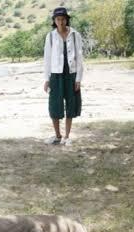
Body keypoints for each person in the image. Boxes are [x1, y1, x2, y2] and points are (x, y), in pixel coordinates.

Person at [43, 7, 84, 146]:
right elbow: (47, 59)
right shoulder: (50, 36)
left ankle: (67, 136)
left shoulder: (74, 35)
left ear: (67, 20)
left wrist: (78, 79)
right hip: (55, 75)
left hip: (71, 75)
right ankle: (57, 136)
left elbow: (80, 58)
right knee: (54, 104)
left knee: (71, 104)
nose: (61, 22)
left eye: (63, 19)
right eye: (58, 19)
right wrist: (47, 79)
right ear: (54, 21)